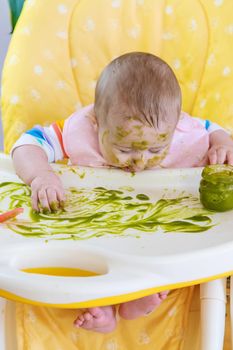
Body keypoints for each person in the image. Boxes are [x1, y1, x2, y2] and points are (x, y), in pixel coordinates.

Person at [12, 52, 233, 333]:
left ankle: (138, 298)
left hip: (153, 226)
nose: (139, 160)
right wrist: (40, 176)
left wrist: (222, 144)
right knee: (82, 258)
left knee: (167, 253)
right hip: (96, 225)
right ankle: (102, 308)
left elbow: (211, 130)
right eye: (125, 149)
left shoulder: (181, 133)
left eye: (155, 150)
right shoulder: (81, 132)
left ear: (174, 127)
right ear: (97, 122)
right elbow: (27, 144)